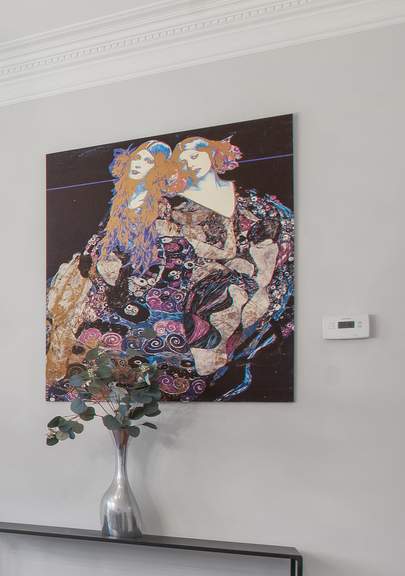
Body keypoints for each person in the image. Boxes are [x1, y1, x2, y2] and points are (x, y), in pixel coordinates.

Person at [46, 140, 186, 390]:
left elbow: (158, 247)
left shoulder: (159, 204)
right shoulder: (123, 198)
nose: (138, 164)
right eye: (138, 158)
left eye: (148, 161)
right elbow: (105, 232)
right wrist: (92, 254)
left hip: (129, 279)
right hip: (100, 273)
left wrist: (118, 271)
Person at [165, 135, 294, 397]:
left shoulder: (249, 200)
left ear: (213, 156)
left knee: (240, 299)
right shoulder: (175, 206)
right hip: (198, 277)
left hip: (242, 275)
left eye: (194, 156)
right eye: (182, 161)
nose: (189, 164)